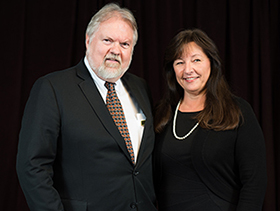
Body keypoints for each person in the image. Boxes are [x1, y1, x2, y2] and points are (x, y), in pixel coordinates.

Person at [16, 3, 157, 211]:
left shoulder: (140, 87)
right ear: (88, 40)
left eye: (124, 44)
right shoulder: (53, 89)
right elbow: (32, 166)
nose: (115, 50)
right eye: (107, 40)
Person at [153, 28, 267, 210]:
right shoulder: (162, 114)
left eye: (196, 60)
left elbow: (255, 182)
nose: (188, 70)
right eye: (179, 62)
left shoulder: (236, 111)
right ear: (172, 69)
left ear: (211, 63)